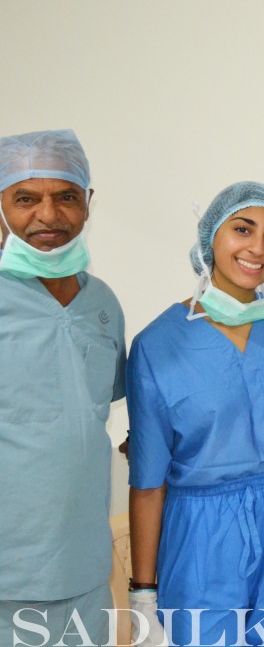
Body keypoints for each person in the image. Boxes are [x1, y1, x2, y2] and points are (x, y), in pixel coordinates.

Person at [127, 181, 264, 646]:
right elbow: (148, 480)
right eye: (243, 229)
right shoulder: (158, 345)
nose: (258, 248)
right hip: (202, 531)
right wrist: (143, 593)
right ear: (211, 236)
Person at [0, 129, 126, 646]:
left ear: (89, 203)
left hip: (82, 566)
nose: (48, 216)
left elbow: (90, 415)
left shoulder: (102, 303)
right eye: (25, 198)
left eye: (66, 196)